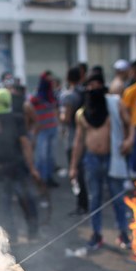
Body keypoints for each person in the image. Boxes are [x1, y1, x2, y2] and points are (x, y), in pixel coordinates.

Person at [68, 72, 131, 251]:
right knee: (94, 199)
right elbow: (78, 141)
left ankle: (123, 234)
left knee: (117, 198)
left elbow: (130, 124)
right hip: (91, 160)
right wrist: (73, 166)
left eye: (97, 85)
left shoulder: (115, 105)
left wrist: (129, 140)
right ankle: (96, 234)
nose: (93, 88)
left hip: (113, 158)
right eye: (90, 85)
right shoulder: (82, 114)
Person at [0, 87, 41, 244]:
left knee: (5, 204)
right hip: (18, 166)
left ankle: (12, 236)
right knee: (26, 200)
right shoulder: (17, 118)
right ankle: (33, 234)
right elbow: (25, 143)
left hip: (1, 167)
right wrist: (32, 167)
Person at [60, 66, 87, 215]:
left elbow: (66, 118)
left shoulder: (68, 96)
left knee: (75, 172)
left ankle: (81, 203)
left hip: (73, 139)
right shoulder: (83, 92)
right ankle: (85, 202)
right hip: (86, 137)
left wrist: (59, 114)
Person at [30, 71, 59, 188]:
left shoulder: (51, 95)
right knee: (41, 157)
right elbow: (29, 109)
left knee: (50, 157)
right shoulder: (37, 97)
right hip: (42, 130)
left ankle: (48, 178)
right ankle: (40, 179)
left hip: (51, 128)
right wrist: (34, 125)